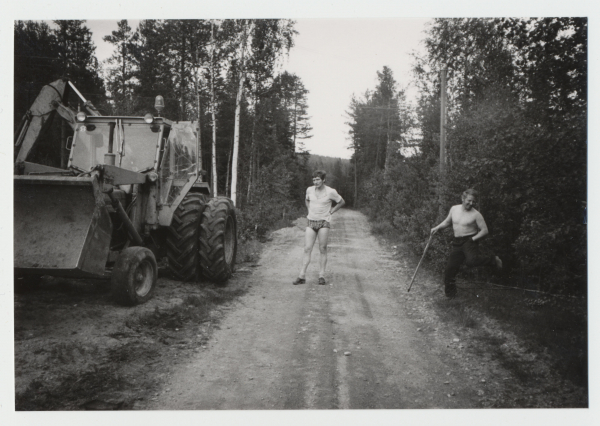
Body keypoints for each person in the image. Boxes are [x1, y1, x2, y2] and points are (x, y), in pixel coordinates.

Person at [430, 189, 502, 298]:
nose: (471, 203)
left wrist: (473, 239)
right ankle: (451, 296)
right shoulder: (454, 209)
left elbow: (485, 230)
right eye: (469, 201)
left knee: (471, 261)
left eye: (473, 202)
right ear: (463, 198)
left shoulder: (476, 214)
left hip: (469, 240)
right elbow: (447, 222)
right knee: (450, 269)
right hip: (457, 242)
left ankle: (493, 259)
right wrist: (437, 228)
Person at [293, 170, 345, 285]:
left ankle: (321, 275)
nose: (315, 182)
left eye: (318, 179)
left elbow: (341, 202)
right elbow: (307, 200)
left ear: (323, 180)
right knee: (307, 248)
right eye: (314, 180)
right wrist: (309, 210)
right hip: (311, 222)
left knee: (322, 248)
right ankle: (302, 276)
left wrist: (331, 211)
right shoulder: (309, 190)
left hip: (324, 223)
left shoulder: (331, 192)